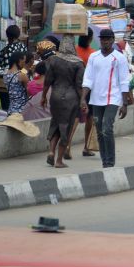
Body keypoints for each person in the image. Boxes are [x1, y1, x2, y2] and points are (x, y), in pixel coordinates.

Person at [81, 29, 132, 167]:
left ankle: (110, 161)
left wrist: (125, 103)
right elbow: (88, 79)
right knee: (99, 131)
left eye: (108, 39)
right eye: (102, 39)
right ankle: (105, 161)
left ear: (112, 40)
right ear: (100, 40)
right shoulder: (94, 57)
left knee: (107, 128)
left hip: (113, 99)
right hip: (96, 99)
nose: (105, 41)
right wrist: (83, 99)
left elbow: (124, 80)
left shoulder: (119, 57)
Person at [37, 35, 83, 169]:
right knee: (66, 128)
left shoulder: (53, 60)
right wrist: (83, 101)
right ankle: (59, 160)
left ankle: (51, 151)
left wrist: (44, 96)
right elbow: (79, 85)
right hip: (71, 98)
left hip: (55, 96)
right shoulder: (79, 63)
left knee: (55, 123)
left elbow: (47, 81)